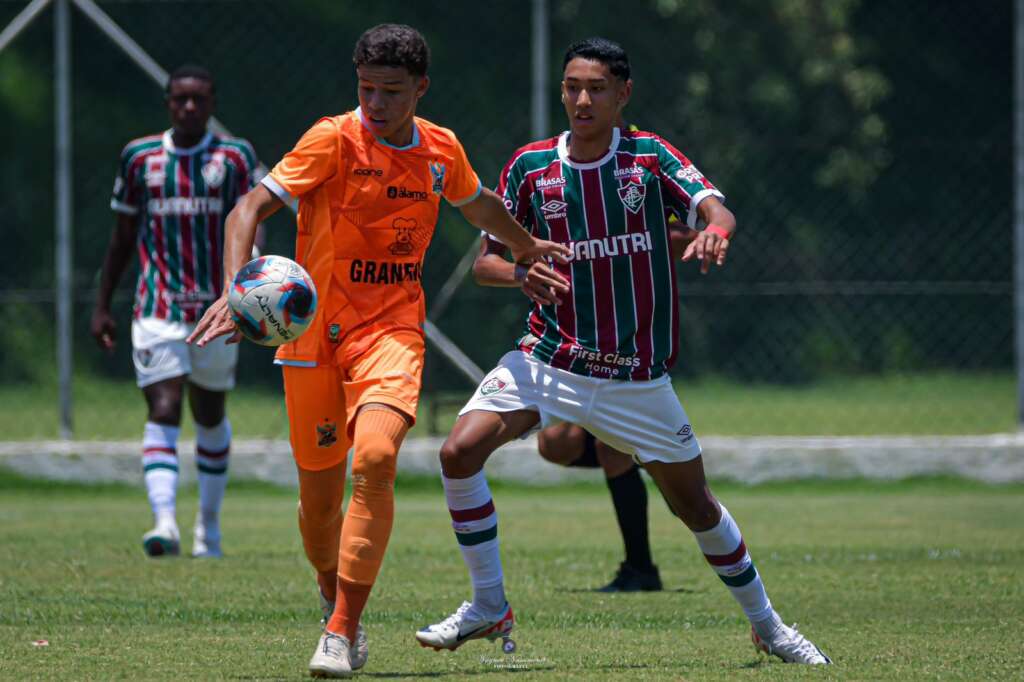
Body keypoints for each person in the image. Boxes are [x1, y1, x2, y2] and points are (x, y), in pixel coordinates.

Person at [415, 38, 831, 665]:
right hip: (548, 359)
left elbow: (715, 208)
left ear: (622, 94)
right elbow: (487, 265)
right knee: (459, 449)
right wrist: (522, 273)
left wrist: (716, 230)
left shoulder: (647, 157)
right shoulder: (530, 168)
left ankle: (769, 627)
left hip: (636, 377)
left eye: (597, 88)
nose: (583, 99)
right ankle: (488, 604)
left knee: (694, 505)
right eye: (573, 86)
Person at [187, 24, 569, 678]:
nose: (377, 103)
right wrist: (237, 286)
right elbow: (247, 209)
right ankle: (331, 591)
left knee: (376, 456)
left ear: (420, 88)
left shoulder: (440, 150)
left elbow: (477, 204)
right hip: (312, 343)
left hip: (390, 333)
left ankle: (341, 630)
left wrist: (526, 244)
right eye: (366, 89)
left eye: (392, 91)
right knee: (318, 512)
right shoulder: (332, 139)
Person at [473, 217, 700, 592]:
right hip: (571, 350)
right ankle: (654, 464)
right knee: (555, 445)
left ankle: (641, 568)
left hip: (628, 349)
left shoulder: (637, 170)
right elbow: (487, 261)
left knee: (614, 454)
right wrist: (526, 266)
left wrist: (647, 245)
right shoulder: (545, 183)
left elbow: (685, 233)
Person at [92, 64, 261, 559]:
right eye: (180, 99)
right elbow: (122, 238)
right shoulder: (139, 157)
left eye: (199, 100)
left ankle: (208, 529)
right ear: (168, 102)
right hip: (157, 308)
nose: (189, 107)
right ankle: (164, 523)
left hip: (218, 309)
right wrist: (102, 305)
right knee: (163, 408)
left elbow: (253, 223)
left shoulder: (234, 157)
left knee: (209, 414)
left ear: (212, 104)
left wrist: (251, 292)